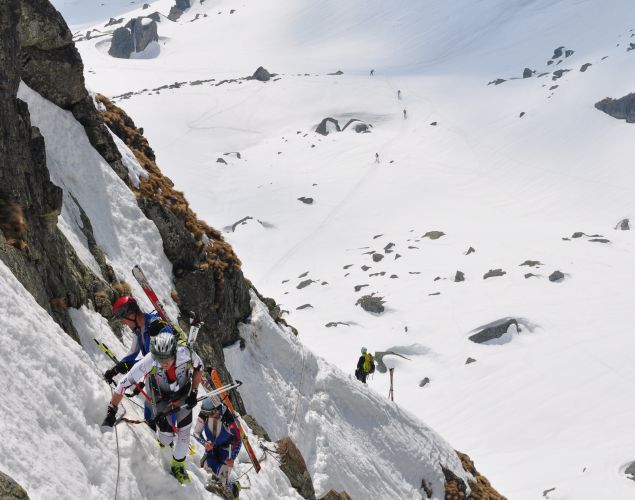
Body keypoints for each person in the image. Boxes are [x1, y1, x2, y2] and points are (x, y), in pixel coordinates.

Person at [101, 332, 204, 484]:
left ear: (174, 352)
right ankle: (166, 451)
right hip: (160, 396)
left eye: (167, 358)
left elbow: (199, 367)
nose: (164, 363)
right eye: (160, 359)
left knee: (184, 431)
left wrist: (194, 392)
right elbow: (123, 384)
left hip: (183, 393)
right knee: (165, 433)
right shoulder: (150, 360)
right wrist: (112, 410)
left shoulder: (186, 353)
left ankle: (178, 466)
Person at [103, 296, 173, 430]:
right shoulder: (138, 330)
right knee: (149, 416)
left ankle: (167, 445)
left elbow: (164, 356)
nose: (123, 323)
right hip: (152, 378)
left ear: (131, 314)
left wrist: (135, 364)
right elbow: (132, 353)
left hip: (168, 380)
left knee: (165, 419)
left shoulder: (156, 326)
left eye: (123, 319)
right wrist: (116, 369)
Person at [194, 398, 242, 497]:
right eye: (206, 413)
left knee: (223, 481)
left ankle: (234, 489)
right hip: (211, 449)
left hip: (226, 451)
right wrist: (204, 443)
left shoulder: (228, 419)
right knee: (207, 471)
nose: (209, 416)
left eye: (211, 413)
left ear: (217, 409)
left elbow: (238, 440)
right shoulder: (204, 415)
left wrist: (232, 458)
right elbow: (196, 433)